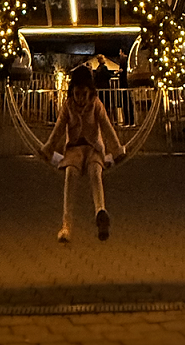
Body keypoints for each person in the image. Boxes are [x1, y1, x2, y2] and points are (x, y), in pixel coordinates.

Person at [42, 65, 124, 242]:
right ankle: (66, 226)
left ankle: (100, 213)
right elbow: (58, 129)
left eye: (84, 94)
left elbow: (107, 128)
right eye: (77, 94)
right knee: (70, 175)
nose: (80, 99)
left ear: (90, 92)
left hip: (94, 148)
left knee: (96, 172)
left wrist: (117, 150)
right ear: (73, 92)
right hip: (74, 148)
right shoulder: (68, 105)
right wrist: (48, 148)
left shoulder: (96, 105)